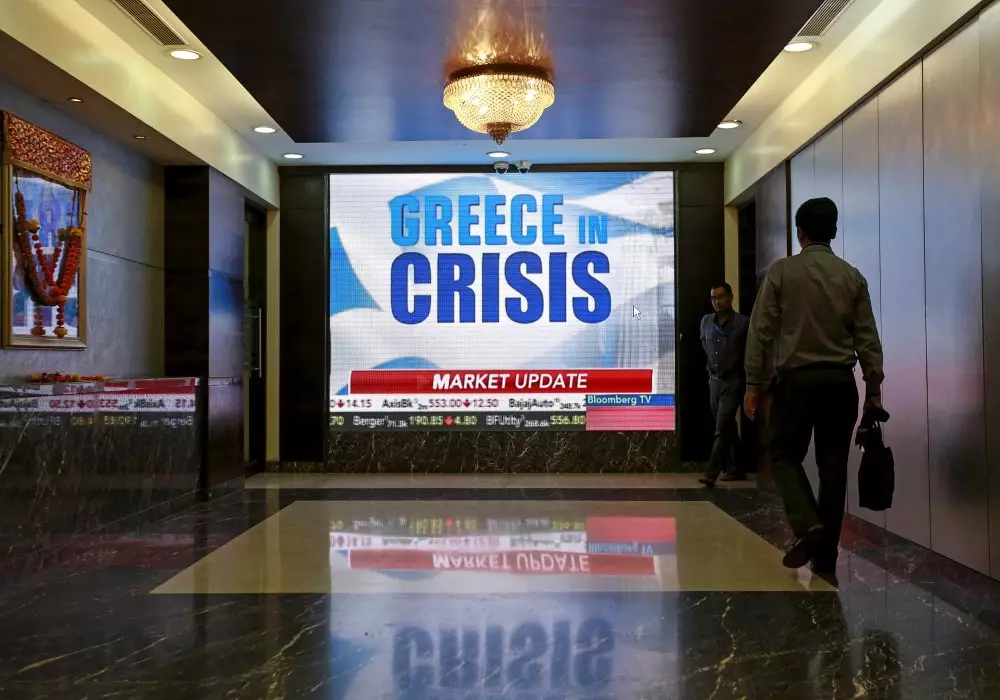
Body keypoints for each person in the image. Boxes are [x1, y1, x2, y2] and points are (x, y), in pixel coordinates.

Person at [743, 197, 884, 574]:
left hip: (796, 382)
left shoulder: (782, 272)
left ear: (799, 232)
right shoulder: (852, 277)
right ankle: (826, 556)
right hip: (840, 383)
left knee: (782, 453)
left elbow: (759, 332)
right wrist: (874, 392)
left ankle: (808, 525)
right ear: (833, 231)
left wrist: (753, 383)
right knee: (833, 468)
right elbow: (868, 340)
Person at [698, 282, 750, 488]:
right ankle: (736, 467)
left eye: (720, 297)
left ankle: (711, 473)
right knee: (727, 425)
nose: (717, 302)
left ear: (730, 297)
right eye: (713, 298)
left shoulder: (743, 323)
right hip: (714, 381)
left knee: (721, 427)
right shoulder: (706, 321)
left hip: (733, 381)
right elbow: (705, 345)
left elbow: (749, 352)